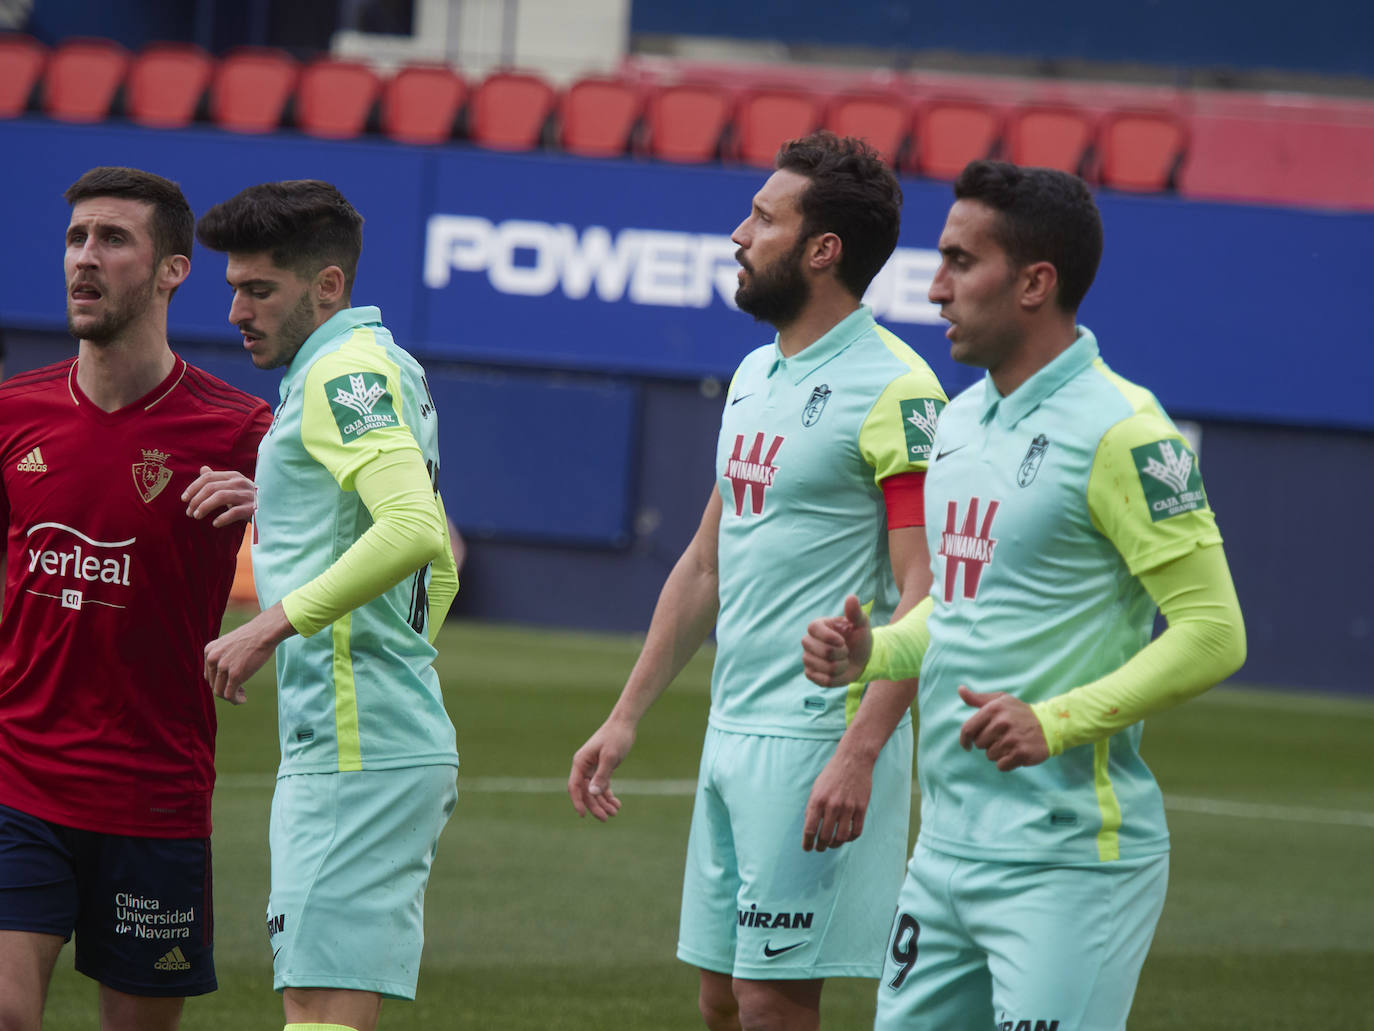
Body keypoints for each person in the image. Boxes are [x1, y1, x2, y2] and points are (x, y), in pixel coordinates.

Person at [801, 160, 1247, 1030]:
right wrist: (874, 651)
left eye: (961, 262)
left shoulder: (1127, 432)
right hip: (944, 850)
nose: (934, 288)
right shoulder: (959, 422)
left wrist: (1056, 720)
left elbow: (1213, 629)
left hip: (1068, 865)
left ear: (1036, 282)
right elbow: (960, 612)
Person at [569, 132, 948, 1031]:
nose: (739, 235)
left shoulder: (899, 390)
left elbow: (929, 593)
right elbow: (706, 561)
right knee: (720, 999)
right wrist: (625, 715)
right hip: (731, 731)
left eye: (763, 219)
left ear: (823, 250)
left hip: (818, 737)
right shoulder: (753, 374)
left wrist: (860, 750)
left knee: (772, 1002)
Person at [0, 166, 271, 1031]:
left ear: (172, 271)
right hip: (19, 778)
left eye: (113, 239)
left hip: (155, 795)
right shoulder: (13, 414)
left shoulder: (241, 429)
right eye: (76, 237)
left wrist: (281, 504)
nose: (85, 257)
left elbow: (395, 528)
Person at [186, 179, 459, 1031]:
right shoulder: (382, 362)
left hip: (356, 744)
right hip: (374, 734)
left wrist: (268, 625)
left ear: (327, 285)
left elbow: (414, 530)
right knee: (320, 999)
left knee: (318, 1006)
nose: (237, 311)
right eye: (234, 287)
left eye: (259, 289)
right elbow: (438, 567)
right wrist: (278, 501)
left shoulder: (343, 370)